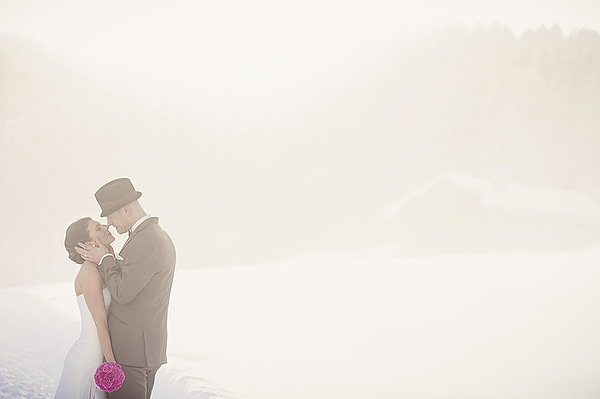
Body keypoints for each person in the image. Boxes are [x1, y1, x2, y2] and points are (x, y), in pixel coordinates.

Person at [75, 177, 176, 399]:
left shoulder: (146, 240)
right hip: (145, 349)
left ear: (127, 209)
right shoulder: (154, 236)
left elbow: (122, 292)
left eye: (110, 215)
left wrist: (105, 260)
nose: (109, 223)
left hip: (132, 353)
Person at [55, 217, 117, 399]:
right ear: (88, 244)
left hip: (99, 353)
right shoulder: (89, 273)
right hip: (88, 358)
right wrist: (113, 366)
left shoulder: (101, 267)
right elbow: (101, 323)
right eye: (98, 228)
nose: (106, 226)